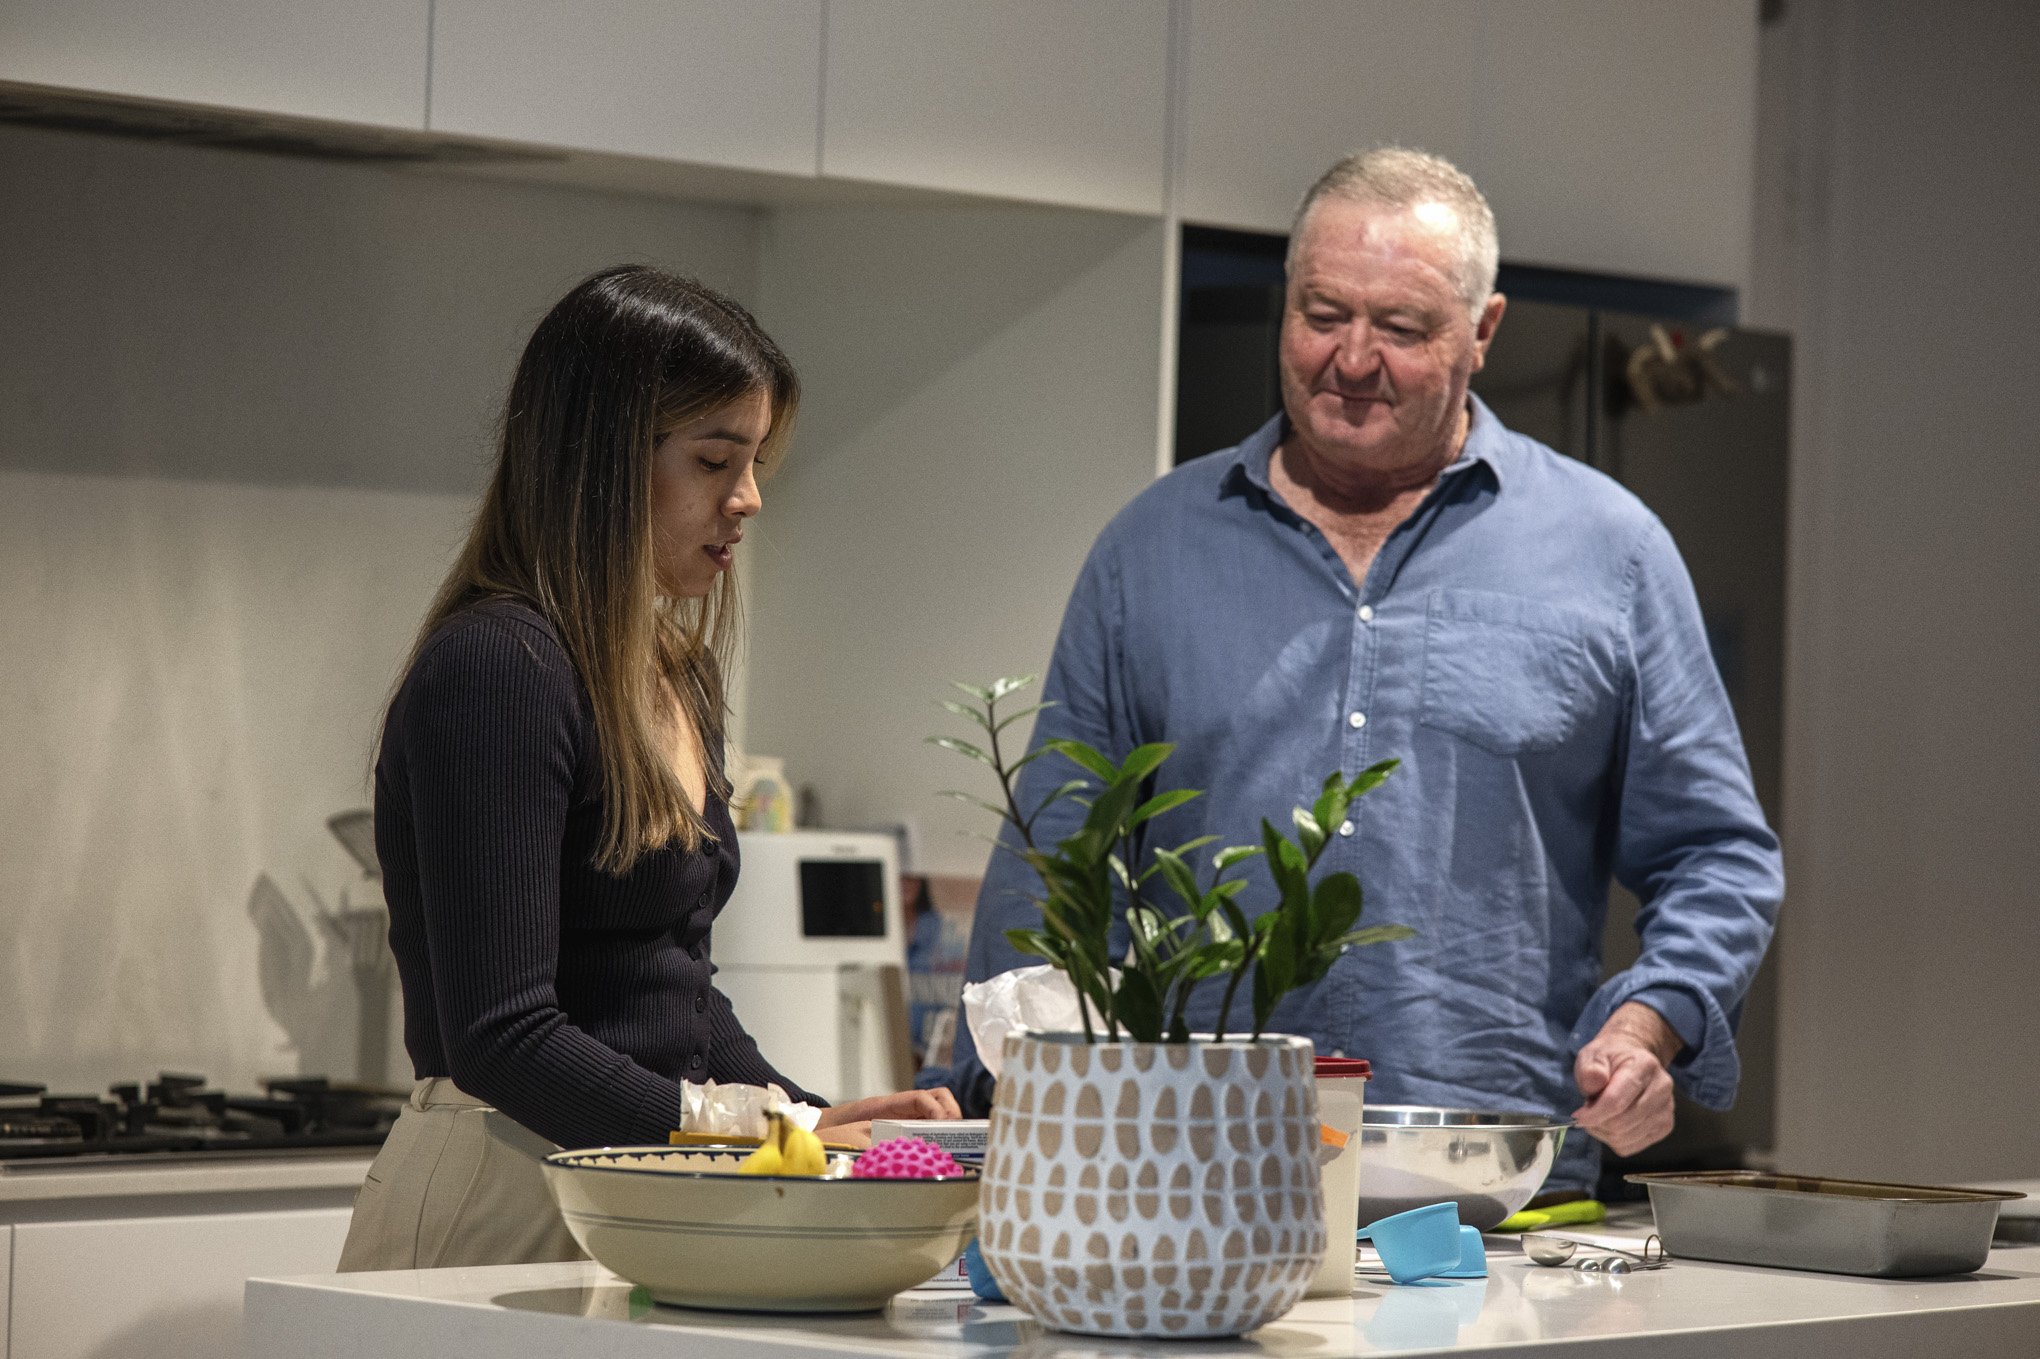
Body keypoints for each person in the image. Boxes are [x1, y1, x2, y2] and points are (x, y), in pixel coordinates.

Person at [947, 150, 1782, 1197]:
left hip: (1497, 1182)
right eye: (1322, 313)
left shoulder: (1611, 552)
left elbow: (1717, 853)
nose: (1351, 358)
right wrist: (993, 1117)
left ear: (1483, 331)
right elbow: (1053, 865)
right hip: (1191, 1174)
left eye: (1401, 327)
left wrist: (1649, 1024)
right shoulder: (1151, 550)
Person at [340, 265, 958, 1272]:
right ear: (601, 461)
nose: (747, 499)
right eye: (715, 460)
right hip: (503, 1192)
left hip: (639, 1191)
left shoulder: (677, 673)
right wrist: (755, 1134)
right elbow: (503, 1036)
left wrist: (814, 1121)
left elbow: (678, 1000)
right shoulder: (498, 667)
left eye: (754, 462)